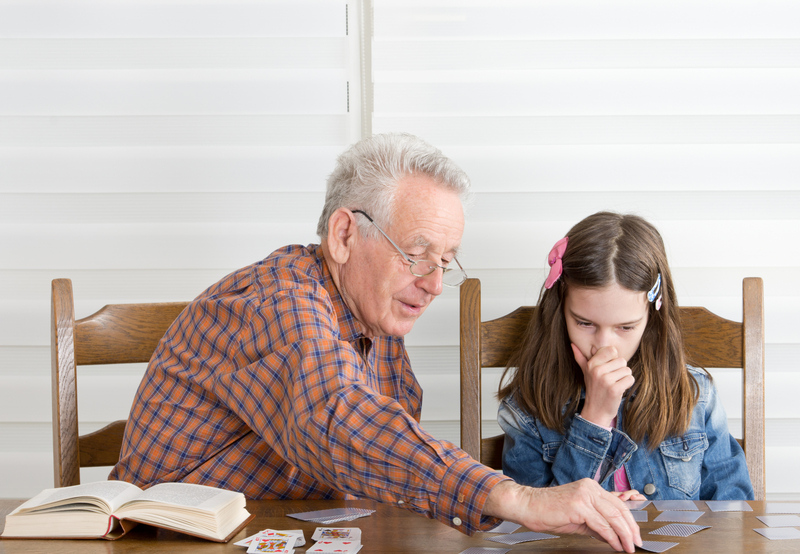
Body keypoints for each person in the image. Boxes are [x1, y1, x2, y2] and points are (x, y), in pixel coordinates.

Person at [110, 134, 642, 552]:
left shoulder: (373, 315)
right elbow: (339, 420)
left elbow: (382, 468)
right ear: (344, 236)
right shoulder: (280, 302)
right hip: (160, 542)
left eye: (445, 260)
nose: (434, 284)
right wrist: (515, 496)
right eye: (417, 253)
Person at [497, 211, 754, 501]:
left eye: (626, 327)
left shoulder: (695, 396)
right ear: (560, 311)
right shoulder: (528, 406)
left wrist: (653, 520)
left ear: (651, 319)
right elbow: (532, 521)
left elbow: (734, 510)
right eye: (584, 323)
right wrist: (594, 418)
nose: (604, 346)